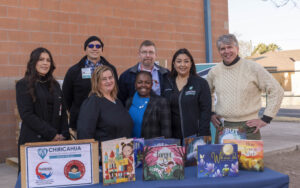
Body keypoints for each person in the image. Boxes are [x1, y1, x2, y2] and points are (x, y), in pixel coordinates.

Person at [206, 34, 284, 142]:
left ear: (237, 49)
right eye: (222, 48)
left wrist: (266, 118)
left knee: (248, 159)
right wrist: (211, 113)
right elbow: (206, 93)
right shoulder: (214, 72)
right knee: (224, 159)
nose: (226, 51)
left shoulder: (253, 68)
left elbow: (276, 90)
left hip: (249, 126)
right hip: (223, 127)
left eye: (229, 47)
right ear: (219, 52)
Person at [16, 47, 70, 171]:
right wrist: (51, 134)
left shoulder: (55, 85)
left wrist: (64, 135)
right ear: (33, 62)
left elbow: (63, 111)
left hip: (56, 143)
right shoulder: (23, 84)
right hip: (34, 141)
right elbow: (27, 115)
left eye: (48, 60)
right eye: (41, 59)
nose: (45, 63)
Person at [62, 36, 118, 131]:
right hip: (81, 121)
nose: (94, 48)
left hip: (106, 120)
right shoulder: (74, 71)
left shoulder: (111, 69)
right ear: (85, 49)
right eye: (91, 45)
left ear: (101, 49)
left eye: (98, 46)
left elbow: (116, 92)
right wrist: (77, 111)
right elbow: (66, 97)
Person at [77, 66, 133, 149]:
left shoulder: (118, 101)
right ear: (97, 82)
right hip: (104, 157)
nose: (109, 81)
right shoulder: (93, 102)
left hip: (122, 155)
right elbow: (85, 133)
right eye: (104, 79)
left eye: (110, 78)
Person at [162, 48, 211, 139]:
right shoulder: (167, 82)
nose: (182, 65)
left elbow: (206, 112)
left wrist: (202, 136)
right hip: (172, 138)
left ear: (191, 63)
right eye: (179, 61)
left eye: (186, 61)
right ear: (174, 63)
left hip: (194, 136)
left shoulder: (200, 83)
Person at [118, 40, 169, 104]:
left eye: (151, 52)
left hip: (159, 112)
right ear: (139, 54)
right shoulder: (126, 76)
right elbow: (121, 100)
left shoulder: (166, 74)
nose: (147, 55)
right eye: (144, 52)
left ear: (156, 55)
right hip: (136, 112)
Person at [125, 71, 171, 139]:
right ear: (135, 84)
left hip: (151, 147)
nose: (143, 85)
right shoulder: (129, 102)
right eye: (140, 82)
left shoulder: (161, 102)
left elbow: (166, 132)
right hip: (131, 147)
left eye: (147, 82)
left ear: (152, 84)